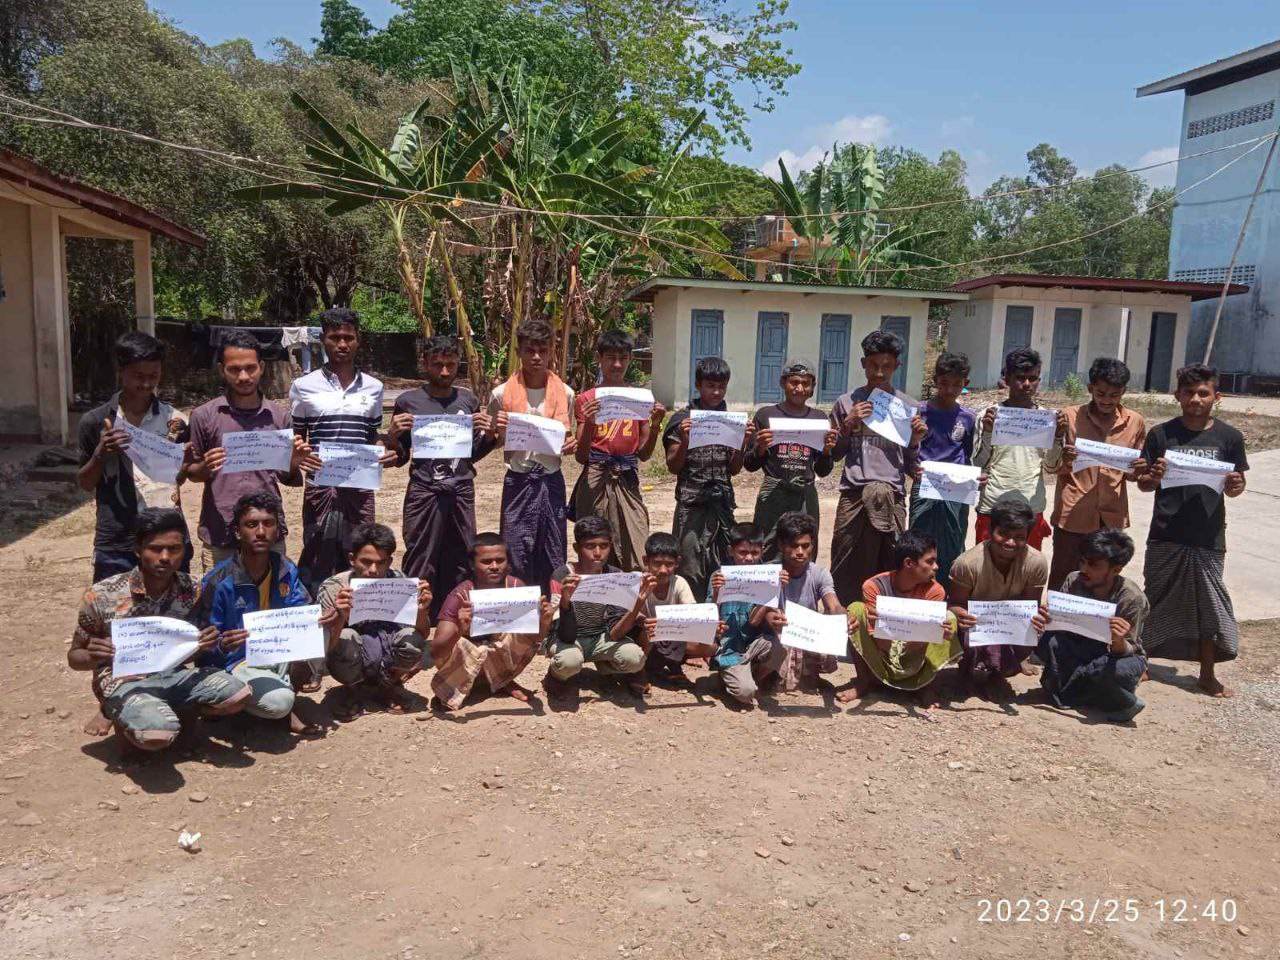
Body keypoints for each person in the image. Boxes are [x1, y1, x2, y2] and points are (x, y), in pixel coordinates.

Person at [69, 508, 248, 752]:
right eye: (155, 549)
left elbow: (196, 647)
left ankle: (181, 710)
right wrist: (92, 656)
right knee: (158, 733)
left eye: (174, 549)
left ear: (184, 550)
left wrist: (208, 643)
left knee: (237, 693)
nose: (165, 557)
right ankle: (123, 716)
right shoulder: (102, 595)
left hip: (174, 675)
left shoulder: (195, 589)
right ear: (138, 549)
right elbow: (74, 657)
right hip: (123, 682)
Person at [1137, 363, 1248, 698]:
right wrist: (1154, 476)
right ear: (1177, 396)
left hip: (1208, 536)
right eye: (1189, 393)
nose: (1196, 399)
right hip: (1165, 532)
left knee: (1208, 605)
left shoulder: (1230, 437)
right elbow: (1144, 483)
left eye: (1203, 393)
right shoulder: (1161, 434)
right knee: (1153, 597)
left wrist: (1236, 485)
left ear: (1217, 396)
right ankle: (1140, 663)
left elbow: (1236, 487)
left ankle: (1206, 674)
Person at [195, 492, 321, 736]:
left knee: (320, 640)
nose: (261, 532)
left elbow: (299, 612)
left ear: (278, 530)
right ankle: (230, 704)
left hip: (276, 652)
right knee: (279, 703)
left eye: (268, 524)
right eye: (252, 525)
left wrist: (319, 622)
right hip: (236, 661)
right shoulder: (218, 581)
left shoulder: (285, 568)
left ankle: (278, 699)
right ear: (238, 532)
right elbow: (204, 642)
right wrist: (223, 644)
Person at [388, 335, 495, 619]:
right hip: (424, 489)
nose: (445, 372)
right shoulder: (408, 401)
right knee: (421, 552)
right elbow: (400, 456)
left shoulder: (468, 400)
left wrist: (490, 436)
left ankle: (456, 615)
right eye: (438, 365)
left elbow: (471, 453)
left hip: (461, 489)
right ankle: (414, 618)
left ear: (458, 364)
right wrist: (393, 436)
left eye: (451, 365)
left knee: (463, 552)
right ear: (425, 364)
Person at [187, 330, 309, 571]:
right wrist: (205, 467)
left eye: (250, 368)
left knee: (270, 593)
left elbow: (285, 476)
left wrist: (293, 461)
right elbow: (192, 473)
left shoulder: (280, 417)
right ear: (222, 370)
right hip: (220, 532)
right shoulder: (204, 416)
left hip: (267, 532)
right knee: (218, 593)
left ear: (261, 367)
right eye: (234, 369)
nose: (243, 376)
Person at [290, 308, 394, 593]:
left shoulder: (374, 387)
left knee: (362, 549)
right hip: (320, 487)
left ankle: (361, 607)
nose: (342, 344)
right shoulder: (303, 386)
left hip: (359, 488)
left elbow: (371, 436)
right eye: (335, 337)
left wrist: (382, 450)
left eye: (348, 337)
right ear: (323, 340)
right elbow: (297, 437)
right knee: (317, 548)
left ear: (358, 340)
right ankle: (319, 604)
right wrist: (300, 454)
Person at [78, 331, 192, 583]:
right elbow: (85, 483)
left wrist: (186, 465)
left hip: (167, 538)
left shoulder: (175, 421)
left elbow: (178, 479)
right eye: (139, 376)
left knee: (173, 606)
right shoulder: (95, 422)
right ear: (121, 371)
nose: (147, 384)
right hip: (117, 542)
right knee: (115, 607)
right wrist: (100, 454)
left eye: (154, 376)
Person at [828, 330, 927, 605]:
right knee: (845, 557)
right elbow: (834, 455)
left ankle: (883, 616)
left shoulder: (907, 407)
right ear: (863, 364)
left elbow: (911, 465)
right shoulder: (846, 403)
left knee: (892, 559)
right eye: (873, 365)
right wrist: (848, 424)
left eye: (887, 366)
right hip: (854, 494)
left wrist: (915, 440)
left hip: (892, 494)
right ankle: (846, 613)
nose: (880, 373)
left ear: (897, 366)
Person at [489, 319, 578, 593]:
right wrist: (496, 430)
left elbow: (565, 437)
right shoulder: (501, 394)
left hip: (551, 479)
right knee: (515, 546)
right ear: (519, 352)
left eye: (542, 350)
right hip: (518, 479)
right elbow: (495, 441)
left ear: (551, 351)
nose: (536, 357)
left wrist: (570, 444)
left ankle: (551, 605)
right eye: (530, 350)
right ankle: (517, 605)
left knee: (553, 546)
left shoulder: (566, 393)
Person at [1049, 358, 1148, 589]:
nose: (1106, 400)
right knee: (1064, 577)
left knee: (1104, 580)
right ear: (1090, 388)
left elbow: (1133, 473)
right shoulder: (1069, 417)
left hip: (1111, 516)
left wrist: (1138, 470)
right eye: (1101, 393)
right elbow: (1051, 466)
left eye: (1114, 395)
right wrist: (1065, 459)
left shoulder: (1135, 422)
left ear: (1124, 392)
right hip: (1073, 515)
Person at [572, 330, 667, 571]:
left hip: (627, 477)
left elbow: (644, 454)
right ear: (599, 358)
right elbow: (581, 456)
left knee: (636, 542)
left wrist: (655, 425)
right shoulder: (586, 399)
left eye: (623, 358)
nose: (616, 364)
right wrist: (591, 423)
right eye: (610, 358)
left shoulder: (640, 397)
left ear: (630, 359)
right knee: (595, 545)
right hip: (595, 477)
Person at [316, 522, 431, 719]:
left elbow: (423, 633)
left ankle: (388, 685)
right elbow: (325, 646)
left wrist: (421, 611)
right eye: (366, 562)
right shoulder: (334, 588)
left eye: (381, 562)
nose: (374, 569)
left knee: (412, 638)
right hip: (352, 659)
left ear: (390, 561)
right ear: (352, 559)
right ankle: (353, 690)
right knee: (346, 636)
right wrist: (340, 617)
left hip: (387, 654)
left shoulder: (400, 582)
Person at [662, 357, 754, 600]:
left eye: (721, 387)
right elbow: (673, 466)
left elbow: (734, 469)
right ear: (698, 385)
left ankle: (719, 618)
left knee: (723, 565)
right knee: (690, 567)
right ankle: (693, 618)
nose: (716, 392)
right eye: (710, 386)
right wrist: (685, 441)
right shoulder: (682, 421)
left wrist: (743, 443)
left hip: (722, 507)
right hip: (691, 508)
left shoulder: (731, 422)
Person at [431, 532, 554, 711]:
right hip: (467, 662)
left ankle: (502, 681)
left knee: (522, 635)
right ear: (472, 565)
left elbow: (534, 639)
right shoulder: (461, 595)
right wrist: (459, 630)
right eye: (486, 562)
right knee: (458, 644)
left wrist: (543, 622)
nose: (495, 566)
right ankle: (462, 687)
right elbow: (436, 652)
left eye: (500, 560)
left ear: (508, 562)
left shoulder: (516, 588)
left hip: (498, 656)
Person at [1038, 528, 1150, 722]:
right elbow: (1060, 629)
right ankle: (1103, 692)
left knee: (1113, 670)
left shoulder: (1131, 598)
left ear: (1116, 570)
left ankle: (1116, 694)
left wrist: (1118, 639)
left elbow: (1127, 650)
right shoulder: (1074, 580)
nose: (1084, 569)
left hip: (1113, 654)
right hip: (1079, 647)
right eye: (1082, 561)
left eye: (1093, 565)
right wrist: (1047, 619)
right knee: (1046, 642)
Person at [841, 530, 961, 709]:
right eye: (930, 561)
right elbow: (881, 644)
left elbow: (919, 643)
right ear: (909, 563)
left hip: (914, 655)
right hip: (882, 654)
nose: (936, 567)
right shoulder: (874, 587)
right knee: (856, 610)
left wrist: (938, 633)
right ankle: (864, 682)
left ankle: (927, 687)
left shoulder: (935, 591)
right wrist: (879, 624)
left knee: (949, 619)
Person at [949, 492, 1051, 698]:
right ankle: (968, 670)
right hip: (975, 627)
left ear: (1027, 536)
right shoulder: (967, 564)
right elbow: (954, 605)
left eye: (1019, 537)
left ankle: (1001, 671)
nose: (1010, 542)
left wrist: (1037, 618)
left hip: (1009, 626)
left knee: (1035, 630)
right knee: (955, 625)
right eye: (1003, 534)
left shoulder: (1036, 562)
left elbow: (1030, 606)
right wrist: (960, 614)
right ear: (990, 530)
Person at [546, 516, 653, 698]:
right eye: (590, 546)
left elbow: (616, 633)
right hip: (569, 639)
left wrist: (637, 604)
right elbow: (565, 635)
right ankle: (556, 677)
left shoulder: (615, 576)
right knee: (569, 662)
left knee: (634, 658)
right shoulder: (563, 576)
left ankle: (607, 667)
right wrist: (565, 603)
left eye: (604, 546)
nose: (597, 553)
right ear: (576, 548)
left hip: (601, 637)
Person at [971, 347, 1066, 550]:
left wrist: (1058, 437)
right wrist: (988, 433)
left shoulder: (1047, 419)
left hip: (1030, 507)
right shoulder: (988, 416)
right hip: (993, 506)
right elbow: (978, 465)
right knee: (987, 565)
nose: (1027, 384)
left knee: (1027, 566)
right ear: (1006, 378)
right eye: (1020, 378)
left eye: (1033, 378)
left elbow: (1051, 467)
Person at [742, 360, 837, 561]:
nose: (799, 388)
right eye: (794, 382)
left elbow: (823, 470)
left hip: (805, 494)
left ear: (813, 387)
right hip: (773, 493)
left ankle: (801, 582)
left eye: (806, 383)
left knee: (803, 549)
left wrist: (827, 450)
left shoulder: (819, 419)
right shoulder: (766, 415)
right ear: (783, 383)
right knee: (768, 546)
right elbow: (749, 465)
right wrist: (760, 448)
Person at [908, 351, 978, 590]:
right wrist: (913, 465)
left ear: (965, 383)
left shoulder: (968, 418)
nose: (949, 389)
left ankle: (948, 595)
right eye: (944, 382)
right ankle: (917, 593)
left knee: (953, 541)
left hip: (956, 490)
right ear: (935, 380)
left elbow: (969, 455)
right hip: (925, 487)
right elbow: (908, 451)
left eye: (957, 384)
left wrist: (975, 478)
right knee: (919, 542)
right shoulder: (919, 412)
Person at [708, 522, 789, 707]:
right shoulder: (719, 576)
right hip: (729, 648)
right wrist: (716, 591)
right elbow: (709, 615)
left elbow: (754, 621)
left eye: (754, 553)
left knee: (780, 647)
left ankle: (750, 677)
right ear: (731, 551)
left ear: (762, 550)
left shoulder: (768, 576)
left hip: (754, 643)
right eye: (743, 553)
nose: (749, 558)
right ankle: (729, 676)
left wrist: (775, 589)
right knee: (746, 693)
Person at [768, 511, 843, 693]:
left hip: (805, 634)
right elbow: (762, 612)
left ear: (813, 545)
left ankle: (809, 675)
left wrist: (843, 618)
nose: (800, 552)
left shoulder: (819, 573)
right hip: (777, 636)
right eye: (794, 546)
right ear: (781, 545)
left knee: (833, 630)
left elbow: (833, 605)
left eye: (805, 546)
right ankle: (769, 676)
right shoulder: (769, 573)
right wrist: (770, 619)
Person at [639, 531, 717, 685]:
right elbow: (635, 619)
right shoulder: (639, 583)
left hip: (671, 637)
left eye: (669, 564)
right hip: (645, 639)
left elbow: (692, 614)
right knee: (647, 633)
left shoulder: (679, 583)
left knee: (711, 646)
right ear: (646, 561)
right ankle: (640, 672)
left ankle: (673, 665)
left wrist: (710, 625)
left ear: (677, 562)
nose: (663, 570)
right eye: (657, 563)